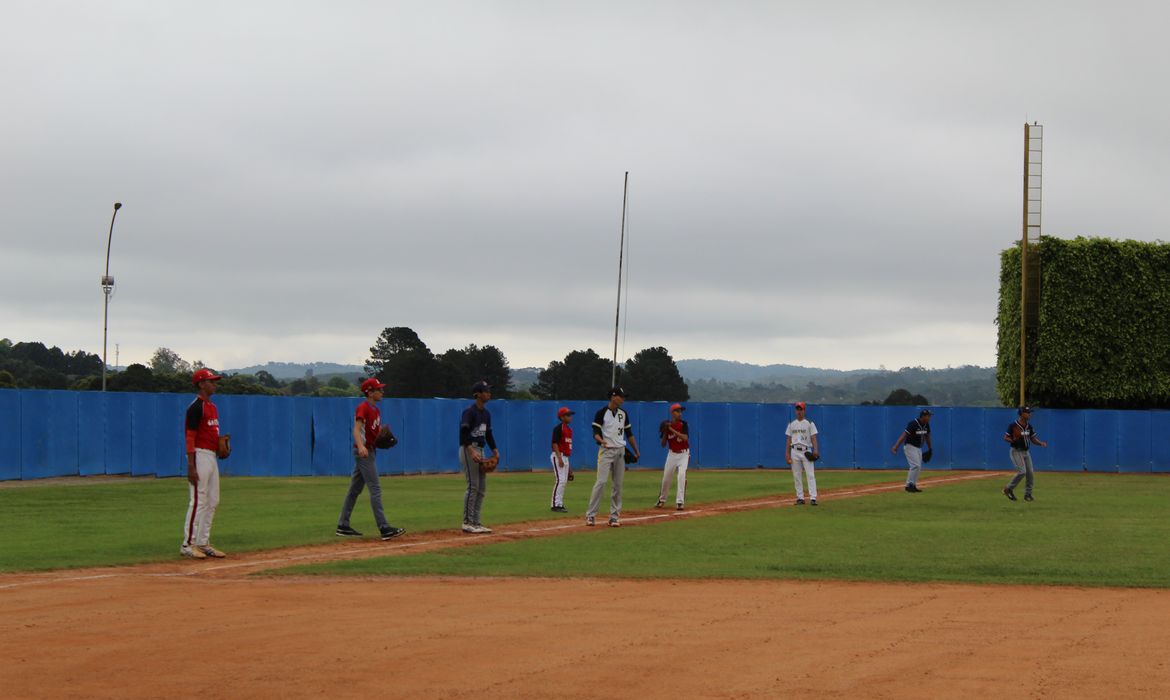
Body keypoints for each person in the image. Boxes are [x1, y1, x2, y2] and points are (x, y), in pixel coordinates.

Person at [334, 378, 406, 541]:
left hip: (370, 451)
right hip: (364, 453)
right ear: (370, 392)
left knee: (354, 490)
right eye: (379, 389)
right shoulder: (363, 407)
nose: (382, 392)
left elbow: (372, 430)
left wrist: (381, 432)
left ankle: (343, 525)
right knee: (375, 489)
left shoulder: (376, 410)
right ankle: (384, 528)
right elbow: (356, 429)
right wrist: (361, 446)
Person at [181, 368, 227, 559]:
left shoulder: (213, 407)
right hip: (198, 455)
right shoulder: (195, 407)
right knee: (198, 501)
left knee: (213, 500)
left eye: (214, 381)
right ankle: (188, 544)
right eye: (211, 381)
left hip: (211, 456)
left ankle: (203, 542)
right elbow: (190, 437)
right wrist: (191, 465)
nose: (214, 384)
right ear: (201, 384)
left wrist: (220, 447)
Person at [587, 387, 640, 527]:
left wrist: (636, 450)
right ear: (613, 397)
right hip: (605, 451)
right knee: (601, 482)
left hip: (620, 451)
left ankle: (614, 517)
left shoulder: (623, 413)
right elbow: (595, 431)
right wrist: (600, 440)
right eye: (621, 396)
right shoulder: (602, 413)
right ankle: (591, 515)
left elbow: (629, 433)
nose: (623, 399)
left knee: (618, 485)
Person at [459, 380, 501, 533]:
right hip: (468, 448)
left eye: (489, 391)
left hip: (481, 449)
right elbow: (463, 433)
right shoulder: (469, 412)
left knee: (481, 488)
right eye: (486, 391)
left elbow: (488, 434)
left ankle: (476, 522)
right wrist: (470, 450)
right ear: (477, 394)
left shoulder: (486, 414)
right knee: (473, 486)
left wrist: (495, 449)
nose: (489, 393)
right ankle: (467, 522)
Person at [1003, 406, 1048, 502]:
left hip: (1026, 452)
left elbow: (1032, 439)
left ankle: (1028, 495)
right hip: (1016, 451)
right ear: (1022, 414)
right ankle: (1008, 489)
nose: (1030, 414)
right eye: (1028, 412)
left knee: (1030, 473)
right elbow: (1006, 437)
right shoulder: (1013, 425)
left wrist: (1040, 443)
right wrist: (1013, 441)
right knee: (1022, 471)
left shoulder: (1029, 426)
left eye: (1030, 412)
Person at [656, 403, 690, 511]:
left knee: (681, 475)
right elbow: (663, 444)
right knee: (666, 478)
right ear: (672, 413)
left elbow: (685, 438)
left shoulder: (684, 424)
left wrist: (672, 430)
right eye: (677, 411)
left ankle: (680, 502)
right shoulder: (667, 425)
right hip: (672, 454)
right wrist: (666, 431)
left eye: (681, 411)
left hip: (684, 454)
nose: (680, 413)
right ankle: (661, 500)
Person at [785, 401, 820, 506]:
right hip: (794, 451)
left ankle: (813, 497)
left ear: (804, 410)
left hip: (806, 451)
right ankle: (800, 498)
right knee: (796, 475)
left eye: (801, 409)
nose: (799, 411)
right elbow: (789, 439)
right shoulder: (792, 424)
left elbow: (813, 437)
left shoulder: (809, 423)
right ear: (796, 411)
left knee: (810, 474)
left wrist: (815, 450)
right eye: (797, 409)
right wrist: (787, 453)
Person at [891, 409, 933, 493]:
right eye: (928, 416)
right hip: (910, 446)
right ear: (923, 416)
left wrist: (930, 448)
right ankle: (908, 485)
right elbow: (904, 435)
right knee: (915, 465)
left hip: (918, 448)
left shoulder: (926, 425)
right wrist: (896, 446)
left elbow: (927, 436)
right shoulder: (913, 424)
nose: (930, 417)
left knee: (918, 467)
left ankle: (913, 485)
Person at [549, 406, 574, 512]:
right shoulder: (559, 428)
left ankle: (559, 504)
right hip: (558, 455)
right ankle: (555, 505)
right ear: (562, 417)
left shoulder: (569, 430)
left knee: (564, 481)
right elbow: (554, 443)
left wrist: (569, 469)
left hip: (565, 457)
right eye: (568, 415)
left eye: (570, 415)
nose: (570, 417)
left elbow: (567, 450)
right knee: (560, 480)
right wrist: (559, 458)